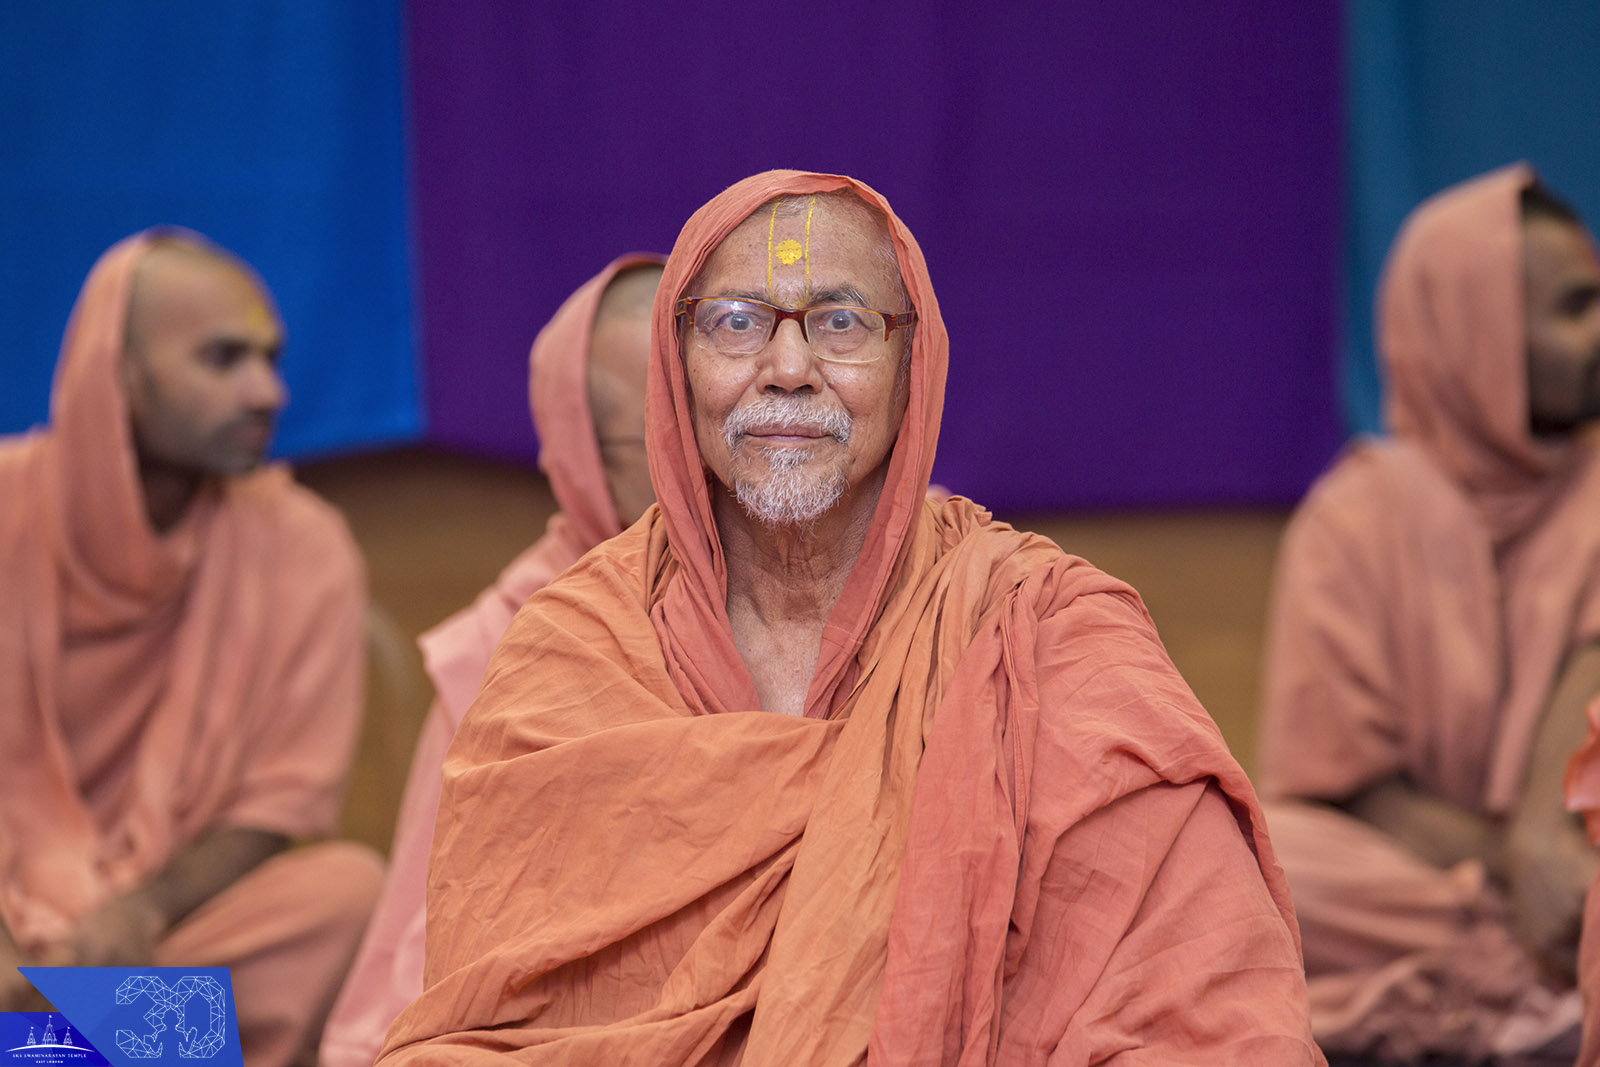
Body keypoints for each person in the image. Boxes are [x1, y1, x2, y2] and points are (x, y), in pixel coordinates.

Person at [373, 170, 1320, 1065]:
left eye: (840, 321)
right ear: (677, 366)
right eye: (738, 324)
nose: (789, 369)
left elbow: (1203, 1004)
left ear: (917, 362)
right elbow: (494, 1024)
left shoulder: (1048, 630)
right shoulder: (571, 644)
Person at [0, 232, 383, 1066]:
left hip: (164, 930)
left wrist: (140, 909)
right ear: (119, 371)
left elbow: (277, 805)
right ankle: (128, 1043)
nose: (267, 391)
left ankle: (38, 1046)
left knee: (346, 894)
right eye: (222, 359)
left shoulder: (302, 546)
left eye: (271, 359)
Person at [1257, 164, 1600, 1062]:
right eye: (1574, 307)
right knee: (1257, 859)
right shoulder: (1356, 517)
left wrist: (1553, 843)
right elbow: (1353, 787)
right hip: (1417, 882)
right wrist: (1517, 871)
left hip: (1579, 855)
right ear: (1477, 334)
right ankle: (1519, 979)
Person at [319, 254, 665, 1067]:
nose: (263, 393)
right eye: (659, 435)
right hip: (71, 907)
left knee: (322, 903)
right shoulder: (513, 633)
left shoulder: (292, 549)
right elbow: (436, 917)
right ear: (582, 457)